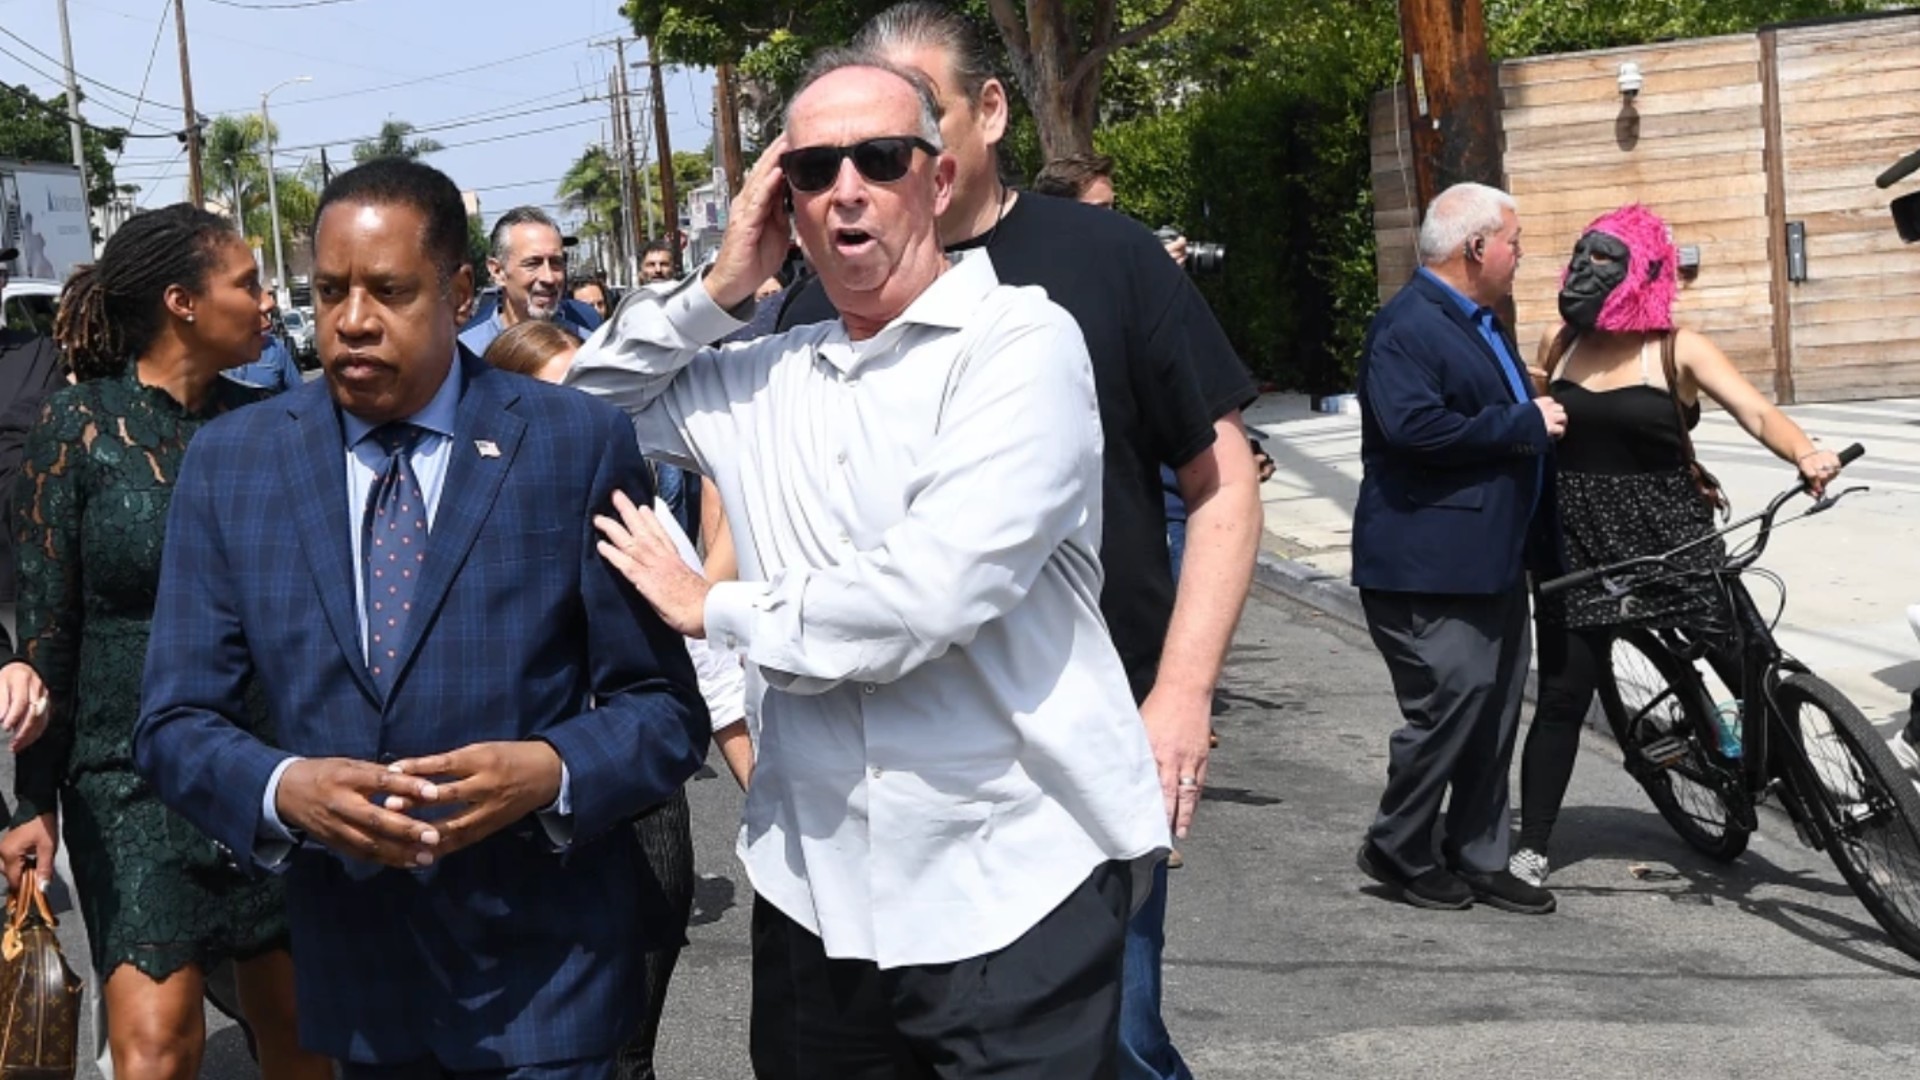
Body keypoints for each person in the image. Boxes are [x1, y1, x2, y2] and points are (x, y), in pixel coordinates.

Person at [568, 52, 1168, 1078]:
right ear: (783, 201)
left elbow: (930, 595)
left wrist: (718, 609)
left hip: (1007, 882)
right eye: (812, 169)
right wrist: (719, 287)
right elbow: (572, 412)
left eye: (880, 158)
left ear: (937, 181)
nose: (847, 189)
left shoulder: (1020, 345)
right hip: (815, 890)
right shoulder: (758, 376)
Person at [131, 159, 711, 1079]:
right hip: (358, 985)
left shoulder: (571, 444)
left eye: (389, 291)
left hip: (546, 978)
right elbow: (172, 723)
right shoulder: (233, 467)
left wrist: (552, 770)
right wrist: (285, 788)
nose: (351, 320)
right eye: (328, 292)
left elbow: (666, 711)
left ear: (460, 292)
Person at [776, 10, 1263, 1077]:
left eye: (904, 132)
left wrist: (1180, 694)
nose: (866, 171)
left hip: (1081, 757)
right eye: (828, 158)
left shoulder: (1104, 260)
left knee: (1121, 1037)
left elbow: (1221, 483)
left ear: (983, 119)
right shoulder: (818, 297)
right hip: (877, 799)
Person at [0, 205, 330, 1080]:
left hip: (262, 763)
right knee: (156, 1045)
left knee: (303, 1037)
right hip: (123, 773)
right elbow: (47, 628)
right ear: (183, 302)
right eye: (248, 284)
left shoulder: (276, 428)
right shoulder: (77, 430)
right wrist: (33, 804)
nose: (268, 303)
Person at [1510, 204, 1843, 888]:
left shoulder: (1677, 347)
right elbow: (1531, 418)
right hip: (1579, 545)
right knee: (1565, 699)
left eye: (1606, 260)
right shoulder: (1560, 340)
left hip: (1673, 536)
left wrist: (1806, 453)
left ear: (1643, 272)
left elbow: (1754, 410)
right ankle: (1533, 846)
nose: (1587, 271)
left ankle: (1819, 799)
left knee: (1752, 665)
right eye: (1582, 257)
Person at [483, 317, 750, 1080]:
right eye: (557, 399)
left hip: (633, 813)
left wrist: (762, 792)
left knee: (623, 1055)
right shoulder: (445, 517)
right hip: (500, 828)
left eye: (597, 401)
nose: (581, 422)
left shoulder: (627, 502)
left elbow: (710, 670)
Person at [1350, 181, 1561, 916]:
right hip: (1430, 563)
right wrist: (1524, 423)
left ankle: (1480, 853)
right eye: (1515, 239)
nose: (1521, 253)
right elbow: (1414, 430)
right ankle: (1398, 843)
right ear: (1478, 248)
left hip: (1493, 558)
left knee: (1494, 711)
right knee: (1453, 702)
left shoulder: (1481, 320)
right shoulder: (1408, 325)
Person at [458, 206, 601, 355]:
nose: (549, 278)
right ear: (497, 271)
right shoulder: (465, 355)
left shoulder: (588, 351)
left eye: (556, 263)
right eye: (533, 264)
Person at [227, 309, 304, 393]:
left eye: (266, 315)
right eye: (257, 316)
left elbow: (298, 393)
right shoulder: (218, 352)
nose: (267, 323)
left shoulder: (275, 347)